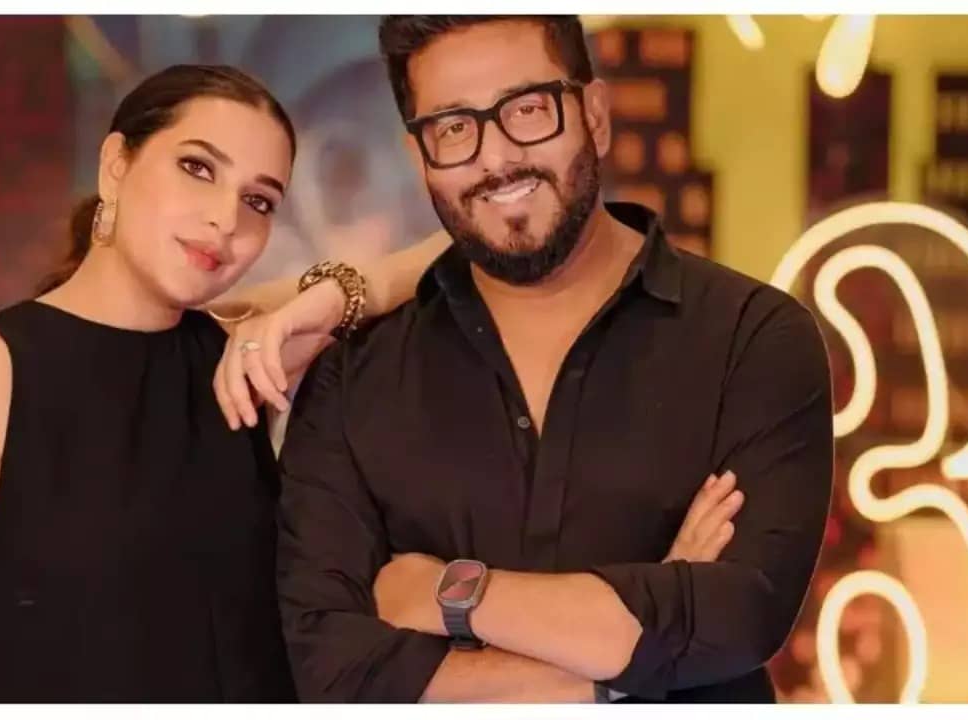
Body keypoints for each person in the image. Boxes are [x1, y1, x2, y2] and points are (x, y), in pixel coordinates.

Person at [0, 63, 450, 702]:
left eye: (259, 201)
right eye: (197, 167)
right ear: (116, 164)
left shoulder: (236, 354)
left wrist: (337, 293)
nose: (226, 219)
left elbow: (463, 253)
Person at [275, 15, 835, 703]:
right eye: (453, 126)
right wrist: (621, 667)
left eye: (527, 109)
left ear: (594, 115)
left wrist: (449, 593)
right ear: (419, 156)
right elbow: (334, 670)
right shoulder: (353, 376)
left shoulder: (753, 340)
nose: (496, 157)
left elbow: (734, 620)